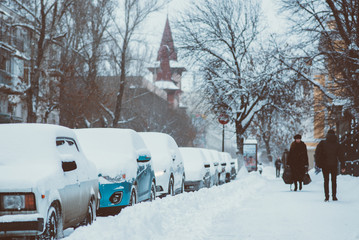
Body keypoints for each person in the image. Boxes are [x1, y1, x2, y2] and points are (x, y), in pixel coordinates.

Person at [315, 129, 345, 202]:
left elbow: (317, 154)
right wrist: (343, 166)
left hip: (325, 165)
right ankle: (334, 196)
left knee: (326, 181)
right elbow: (341, 155)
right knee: (334, 181)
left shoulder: (322, 143)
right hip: (334, 164)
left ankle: (327, 197)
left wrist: (318, 163)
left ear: (327, 135)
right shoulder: (337, 144)